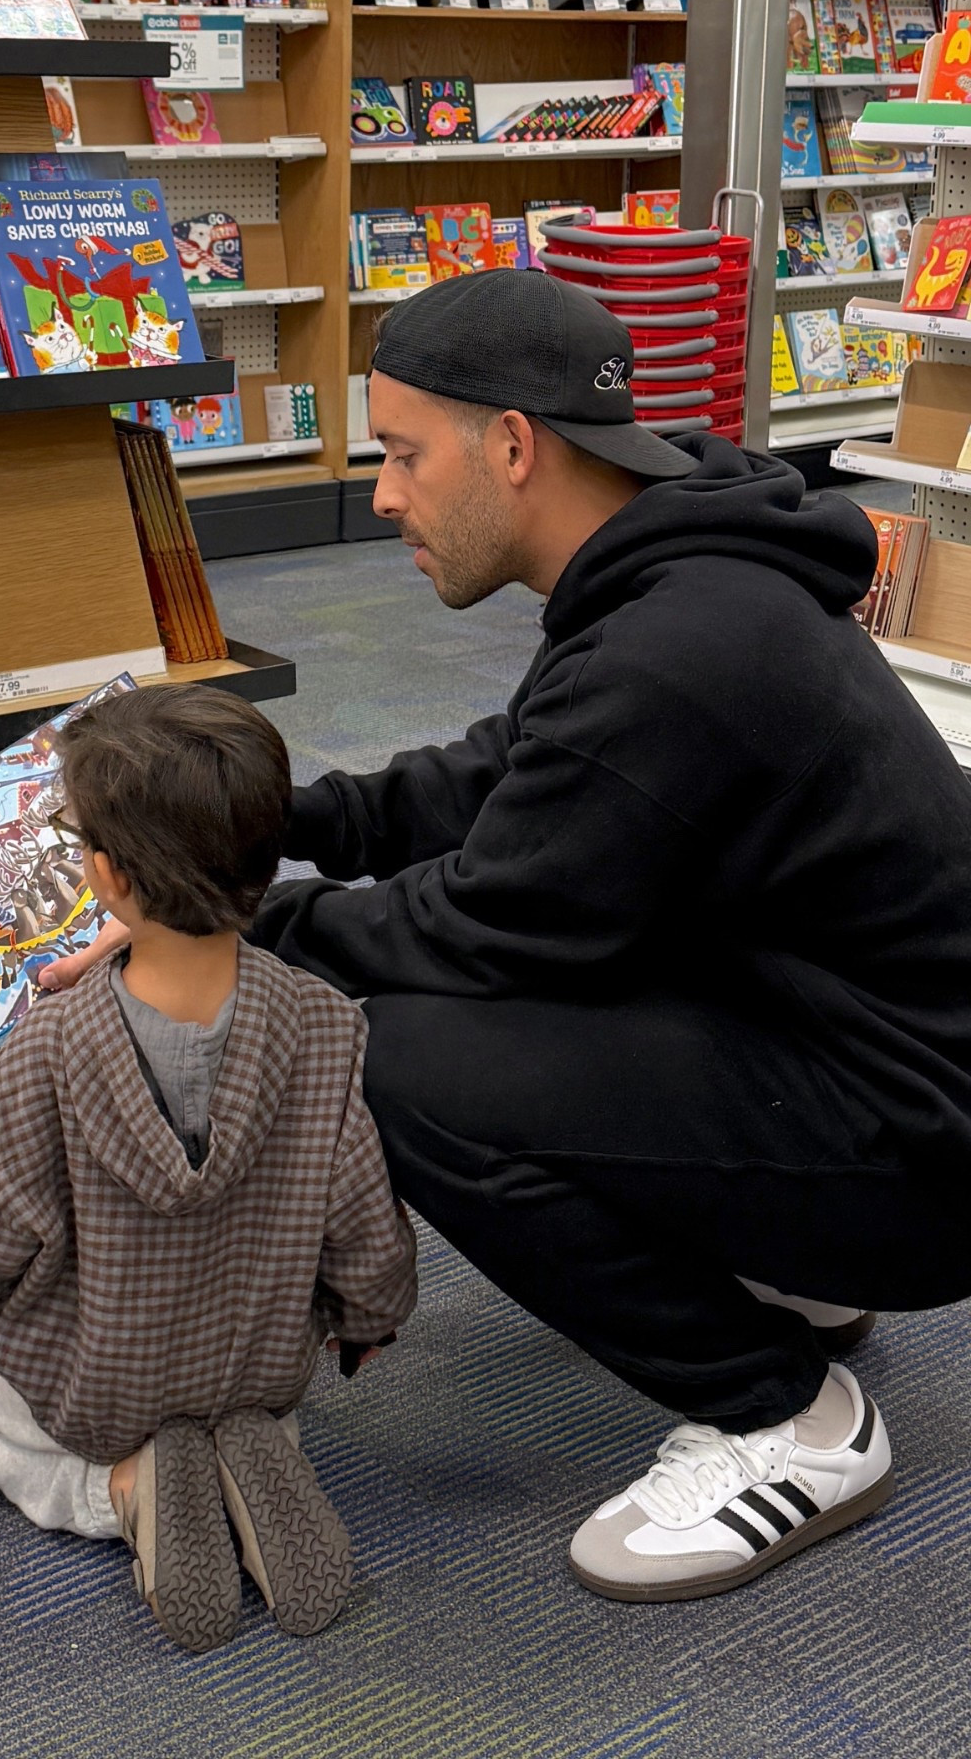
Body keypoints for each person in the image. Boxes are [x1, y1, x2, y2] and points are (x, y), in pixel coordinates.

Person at [48, 267, 971, 1605]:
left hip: (924, 1153)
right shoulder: (673, 571)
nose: (383, 496)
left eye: (407, 456)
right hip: (855, 1051)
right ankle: (788, 1265)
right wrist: (269, 822)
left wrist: (232, 943)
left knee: (397, 1055)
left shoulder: (678, 646)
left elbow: (489, 924)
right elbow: (514, 776)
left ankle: (787, 1415)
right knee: (507, 977)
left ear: (516, 447)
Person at [0, 684, 416, 1652]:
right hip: (256, 1364)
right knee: (256, 1407)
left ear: (107, 877)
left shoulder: (50, 1051)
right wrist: (365, 1323)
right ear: (264, 863)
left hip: (102, 1387)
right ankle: (251, 1453)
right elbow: (368, 1233)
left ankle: (126, 1485)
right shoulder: (324, 1026)